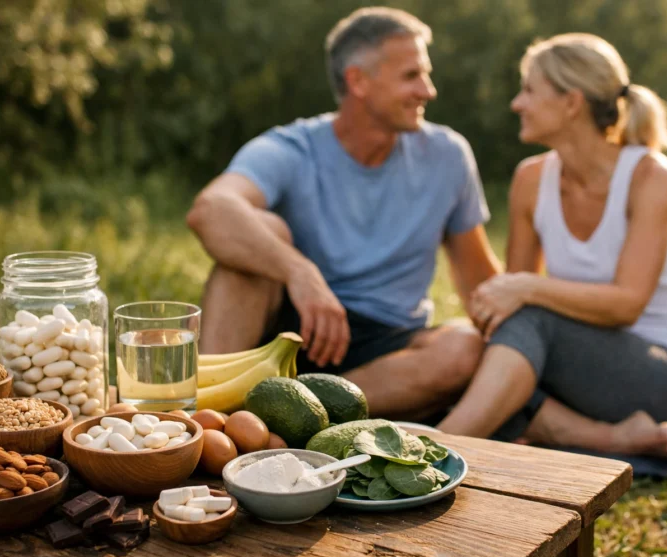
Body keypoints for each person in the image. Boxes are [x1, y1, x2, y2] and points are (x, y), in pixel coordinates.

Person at [186, 7, 501, 421]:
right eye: (411, 76)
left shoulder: (448, 156)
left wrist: (544, 315)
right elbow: (210, 209)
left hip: (389, 347)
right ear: (358, 81)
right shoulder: (293, 148)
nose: (428, 90)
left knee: (462, 347)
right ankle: (209, 416)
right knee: (257, 236)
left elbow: (480, 283)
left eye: (425, 74)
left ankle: (286, 415)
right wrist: (302, 273)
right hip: (293, 330)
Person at [436, 33, 667, 465]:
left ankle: (435, 452)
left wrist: (525, 289)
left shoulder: (651, 176)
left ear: (572, 102)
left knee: (516, 346)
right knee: (492, 355)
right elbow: (511, 312)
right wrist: (509, 301)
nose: (517, 103)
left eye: (529, 90)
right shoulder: (530, 180)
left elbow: (627, 304)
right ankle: (613, 438)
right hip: (591, 375)